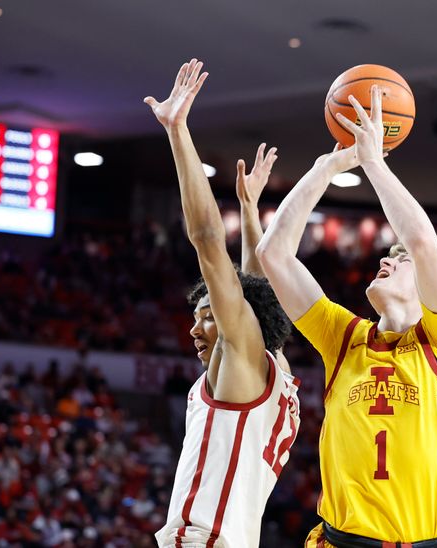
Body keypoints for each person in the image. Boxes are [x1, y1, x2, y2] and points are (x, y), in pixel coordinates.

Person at [257, 85, 437, 546]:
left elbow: (421, 241)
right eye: (389, 255)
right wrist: (325, 170)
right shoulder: (343, 337)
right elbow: (273, 253)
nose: (387, 259)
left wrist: (374, 162)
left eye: (399, 262)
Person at [144, 58, 299, 548]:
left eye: (207, 316)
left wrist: (177, 130)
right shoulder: (274, 370)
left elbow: (209, 239)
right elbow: (259, 288)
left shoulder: (242, 362)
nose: (195, 330)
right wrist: (250, 212)